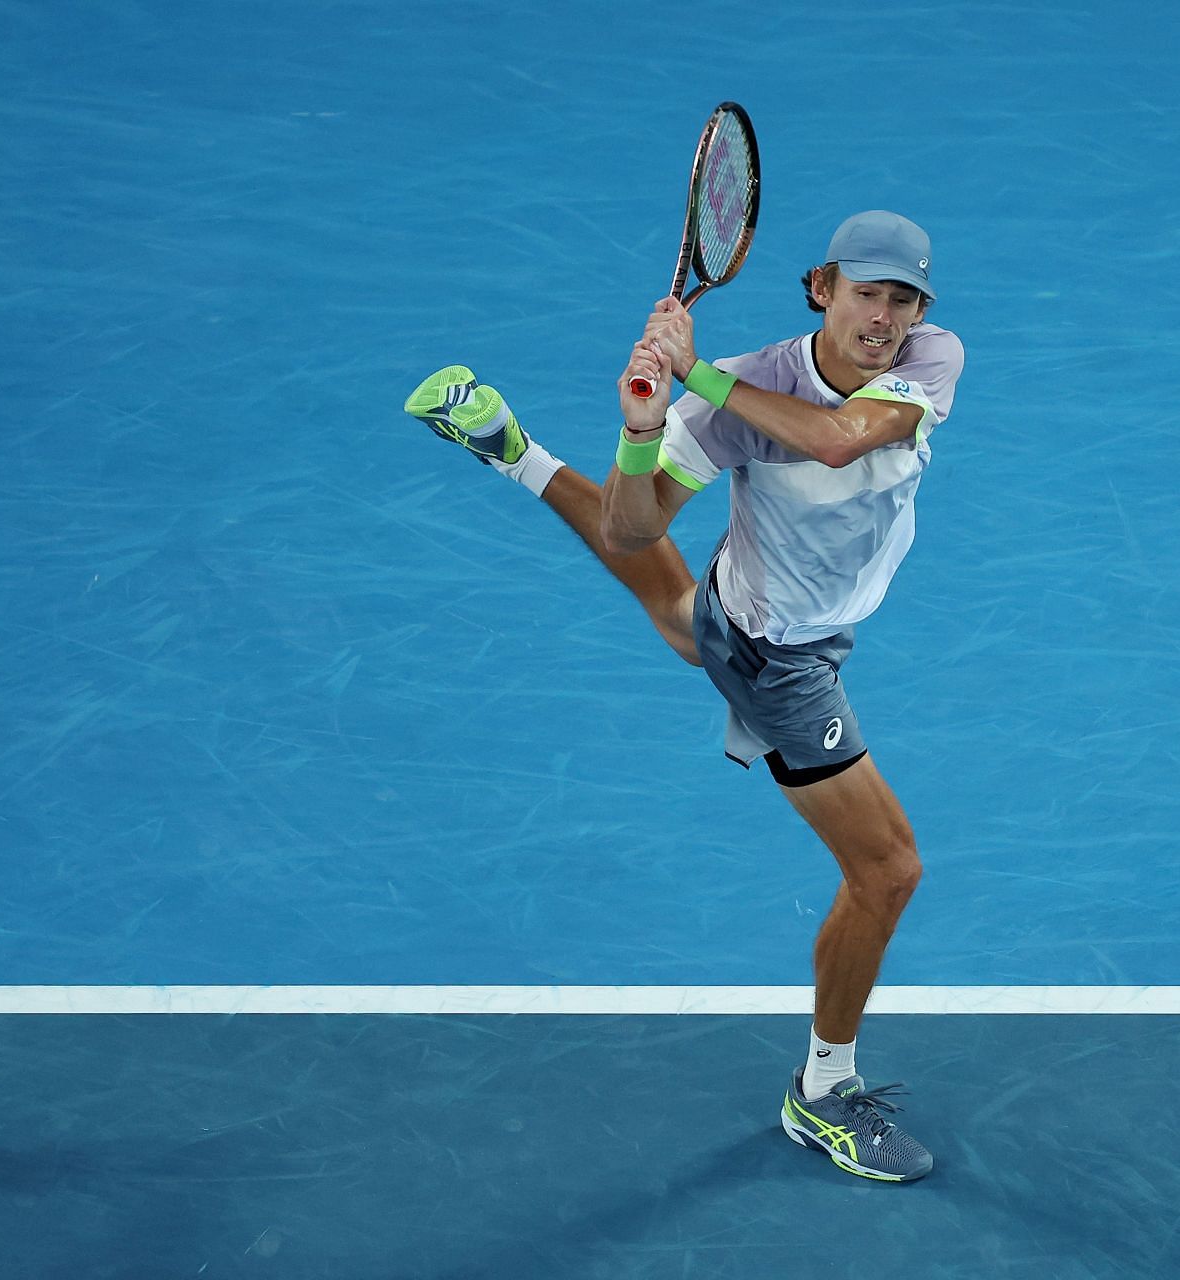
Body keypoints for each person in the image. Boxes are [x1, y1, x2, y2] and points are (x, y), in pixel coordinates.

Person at [405, 210, 962, 1183]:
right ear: (821, 285)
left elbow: (839, 440)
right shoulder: (737, 399)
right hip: (779, 656)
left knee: (678, 612)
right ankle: (822, 1092)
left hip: (761, 606)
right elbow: (633, 524)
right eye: (867, 290)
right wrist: (641, 428)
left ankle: (511, 450)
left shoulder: (928, 359)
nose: (886, 316)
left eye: (903, 296)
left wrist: (699, 379)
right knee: (888, 871)